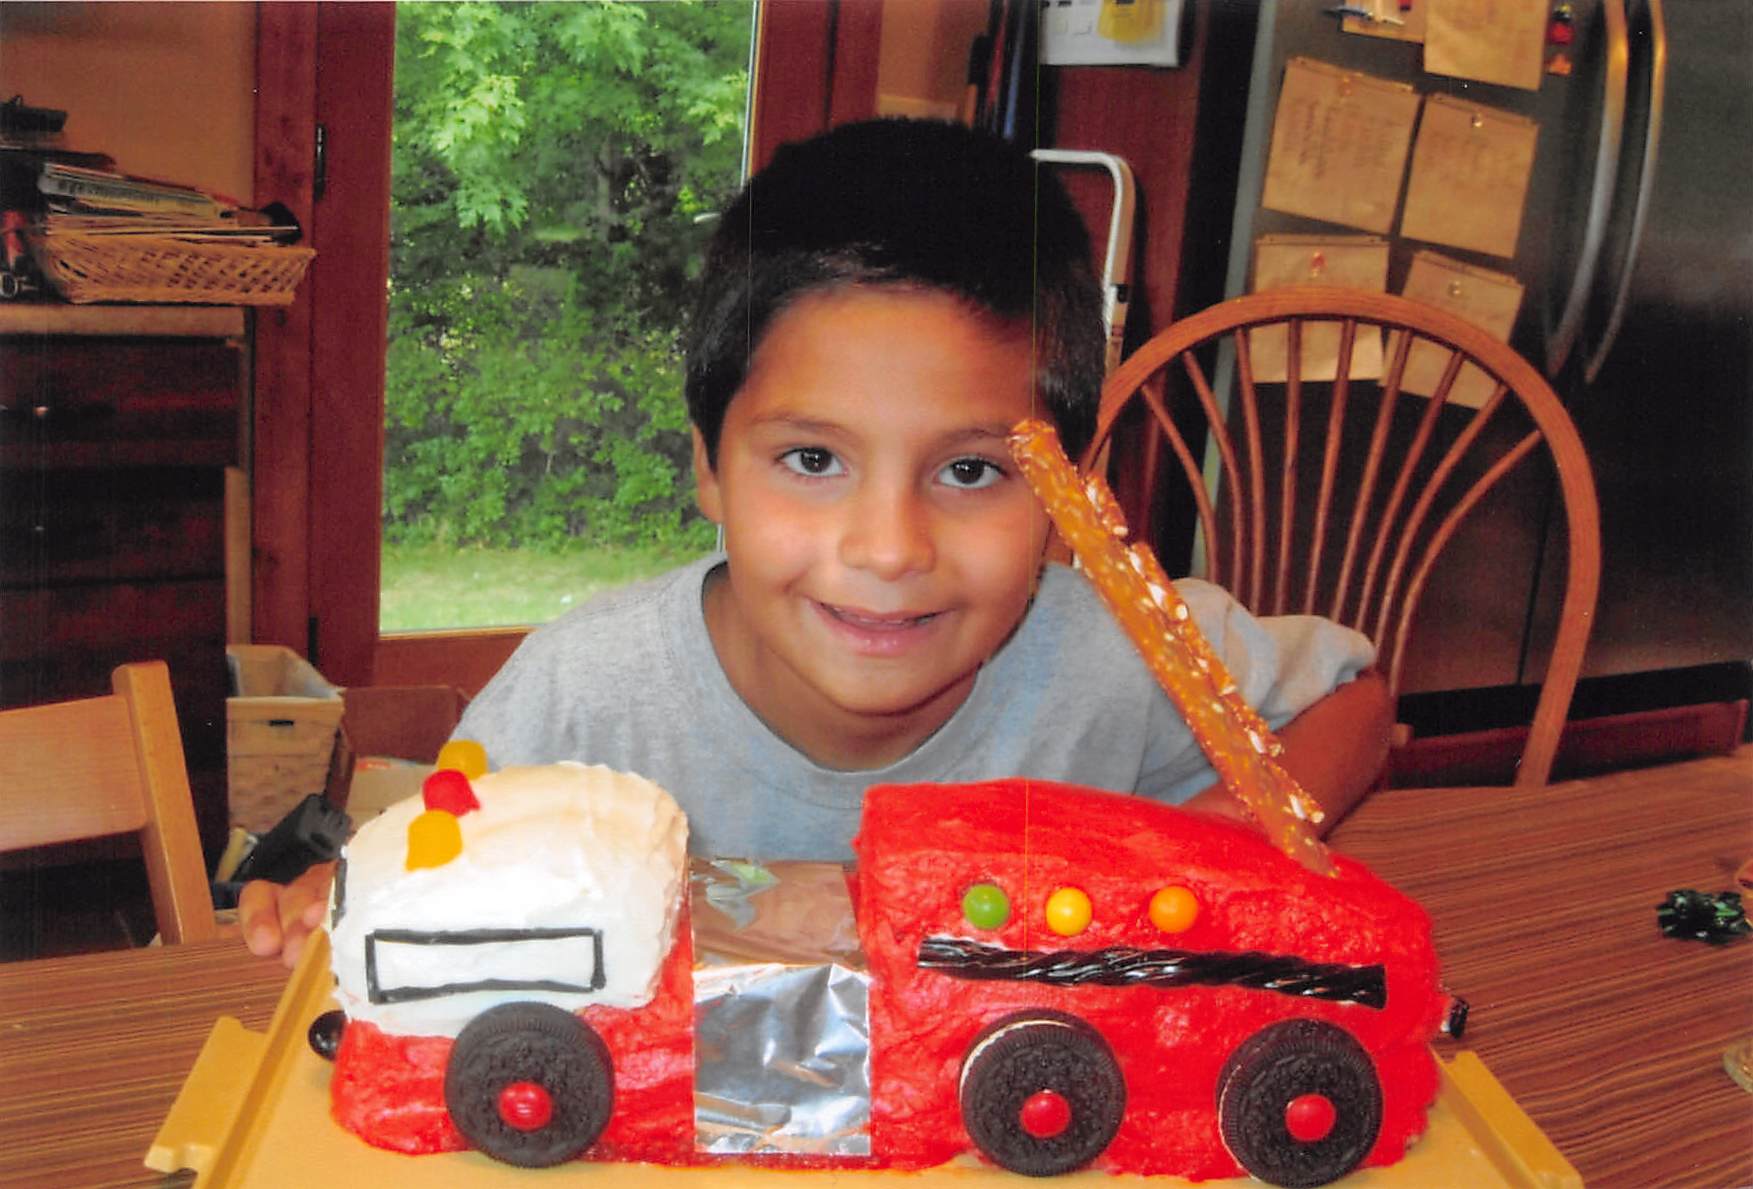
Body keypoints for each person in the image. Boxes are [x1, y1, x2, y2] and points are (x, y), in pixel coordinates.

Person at [242, 118, 1392, 968]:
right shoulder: (585, 695)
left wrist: (1224, 830)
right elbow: (441, 847)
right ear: (708, 464)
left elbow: (1354, 701)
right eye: (810, 459)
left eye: (971, 471)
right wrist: (349, 890)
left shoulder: (1122, 651)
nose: (887, 549)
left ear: (1068, 498)